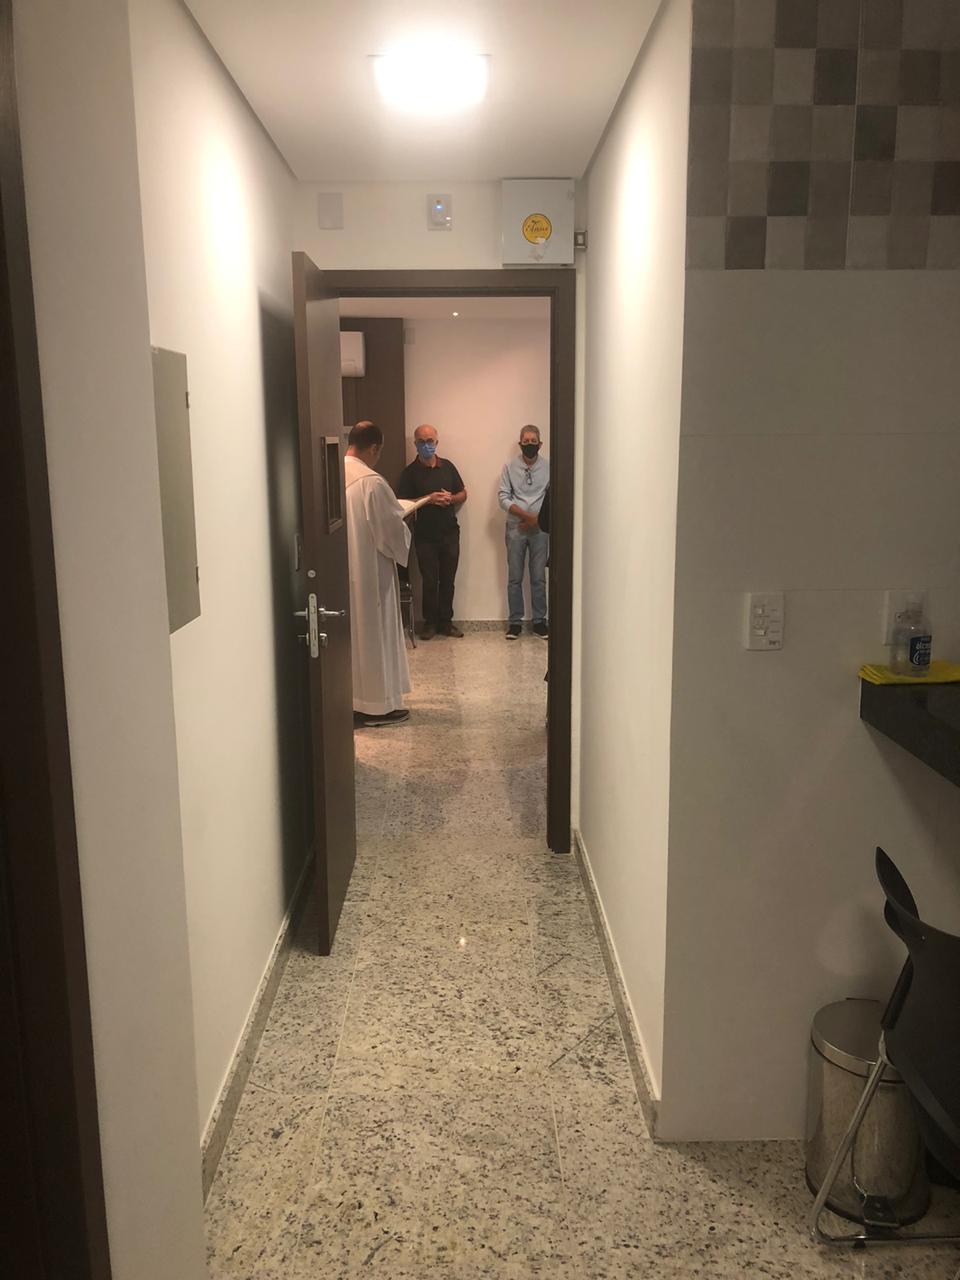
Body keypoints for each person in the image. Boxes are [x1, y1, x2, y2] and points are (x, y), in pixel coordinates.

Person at [344, 421, 412, 726]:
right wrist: (404, 522)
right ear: (373, 448)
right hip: (371, 572)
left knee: (353, 638)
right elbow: (390, 532)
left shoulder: (333, 472)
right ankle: (377, 707)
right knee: (375, 634)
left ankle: (354, 701)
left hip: (344, 572)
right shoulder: (372, 482)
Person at [396, 423, 467, 640]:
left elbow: (463, 493)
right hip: (425, 536)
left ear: (437, 442)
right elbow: (402, 504)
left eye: (430, 441)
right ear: (415, 444)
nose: (426, 445)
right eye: (422, 441)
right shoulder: (410, 473)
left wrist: (451, 499)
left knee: (448, 580)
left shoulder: (448, 467)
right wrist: (429, 498)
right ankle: (430, 623)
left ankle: (446, 622)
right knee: (429, 581)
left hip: (450, 533)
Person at [497, 425, 549, 640]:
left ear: (540, 444)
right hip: (516, 528)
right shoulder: (509, 467)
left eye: (533, 441)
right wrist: (527, 517)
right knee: (514, 578)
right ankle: (515, 623)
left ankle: (539, 621)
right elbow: (503, 497)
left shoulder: (549, 467)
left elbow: (552, 496)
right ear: (520, 443)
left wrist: (537, 520)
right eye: (525, 441)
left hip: (540, 529)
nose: (529, 445)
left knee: (538, 577)